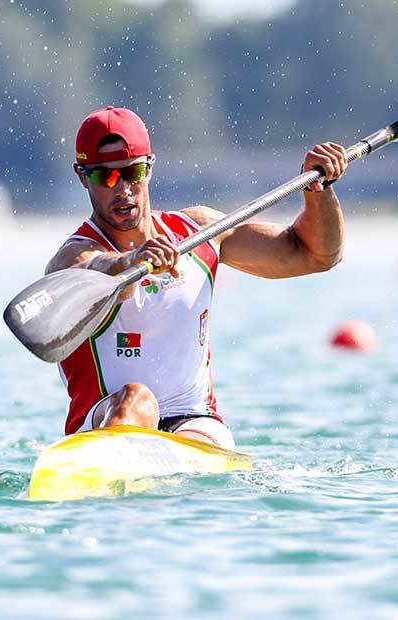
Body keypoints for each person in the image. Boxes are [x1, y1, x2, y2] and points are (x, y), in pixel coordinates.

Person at [46, 106, 348, 449]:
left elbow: (317, 254)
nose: (124, 189)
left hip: (193, 420)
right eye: (106, 177)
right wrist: (130, 262)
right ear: (82, 177)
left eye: (133, 171)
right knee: (135, 397)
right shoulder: (74, 257)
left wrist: (319, 190)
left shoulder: (200, 232)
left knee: (190, 434)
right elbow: (91, 272)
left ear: (150, 168)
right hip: (104, 421)